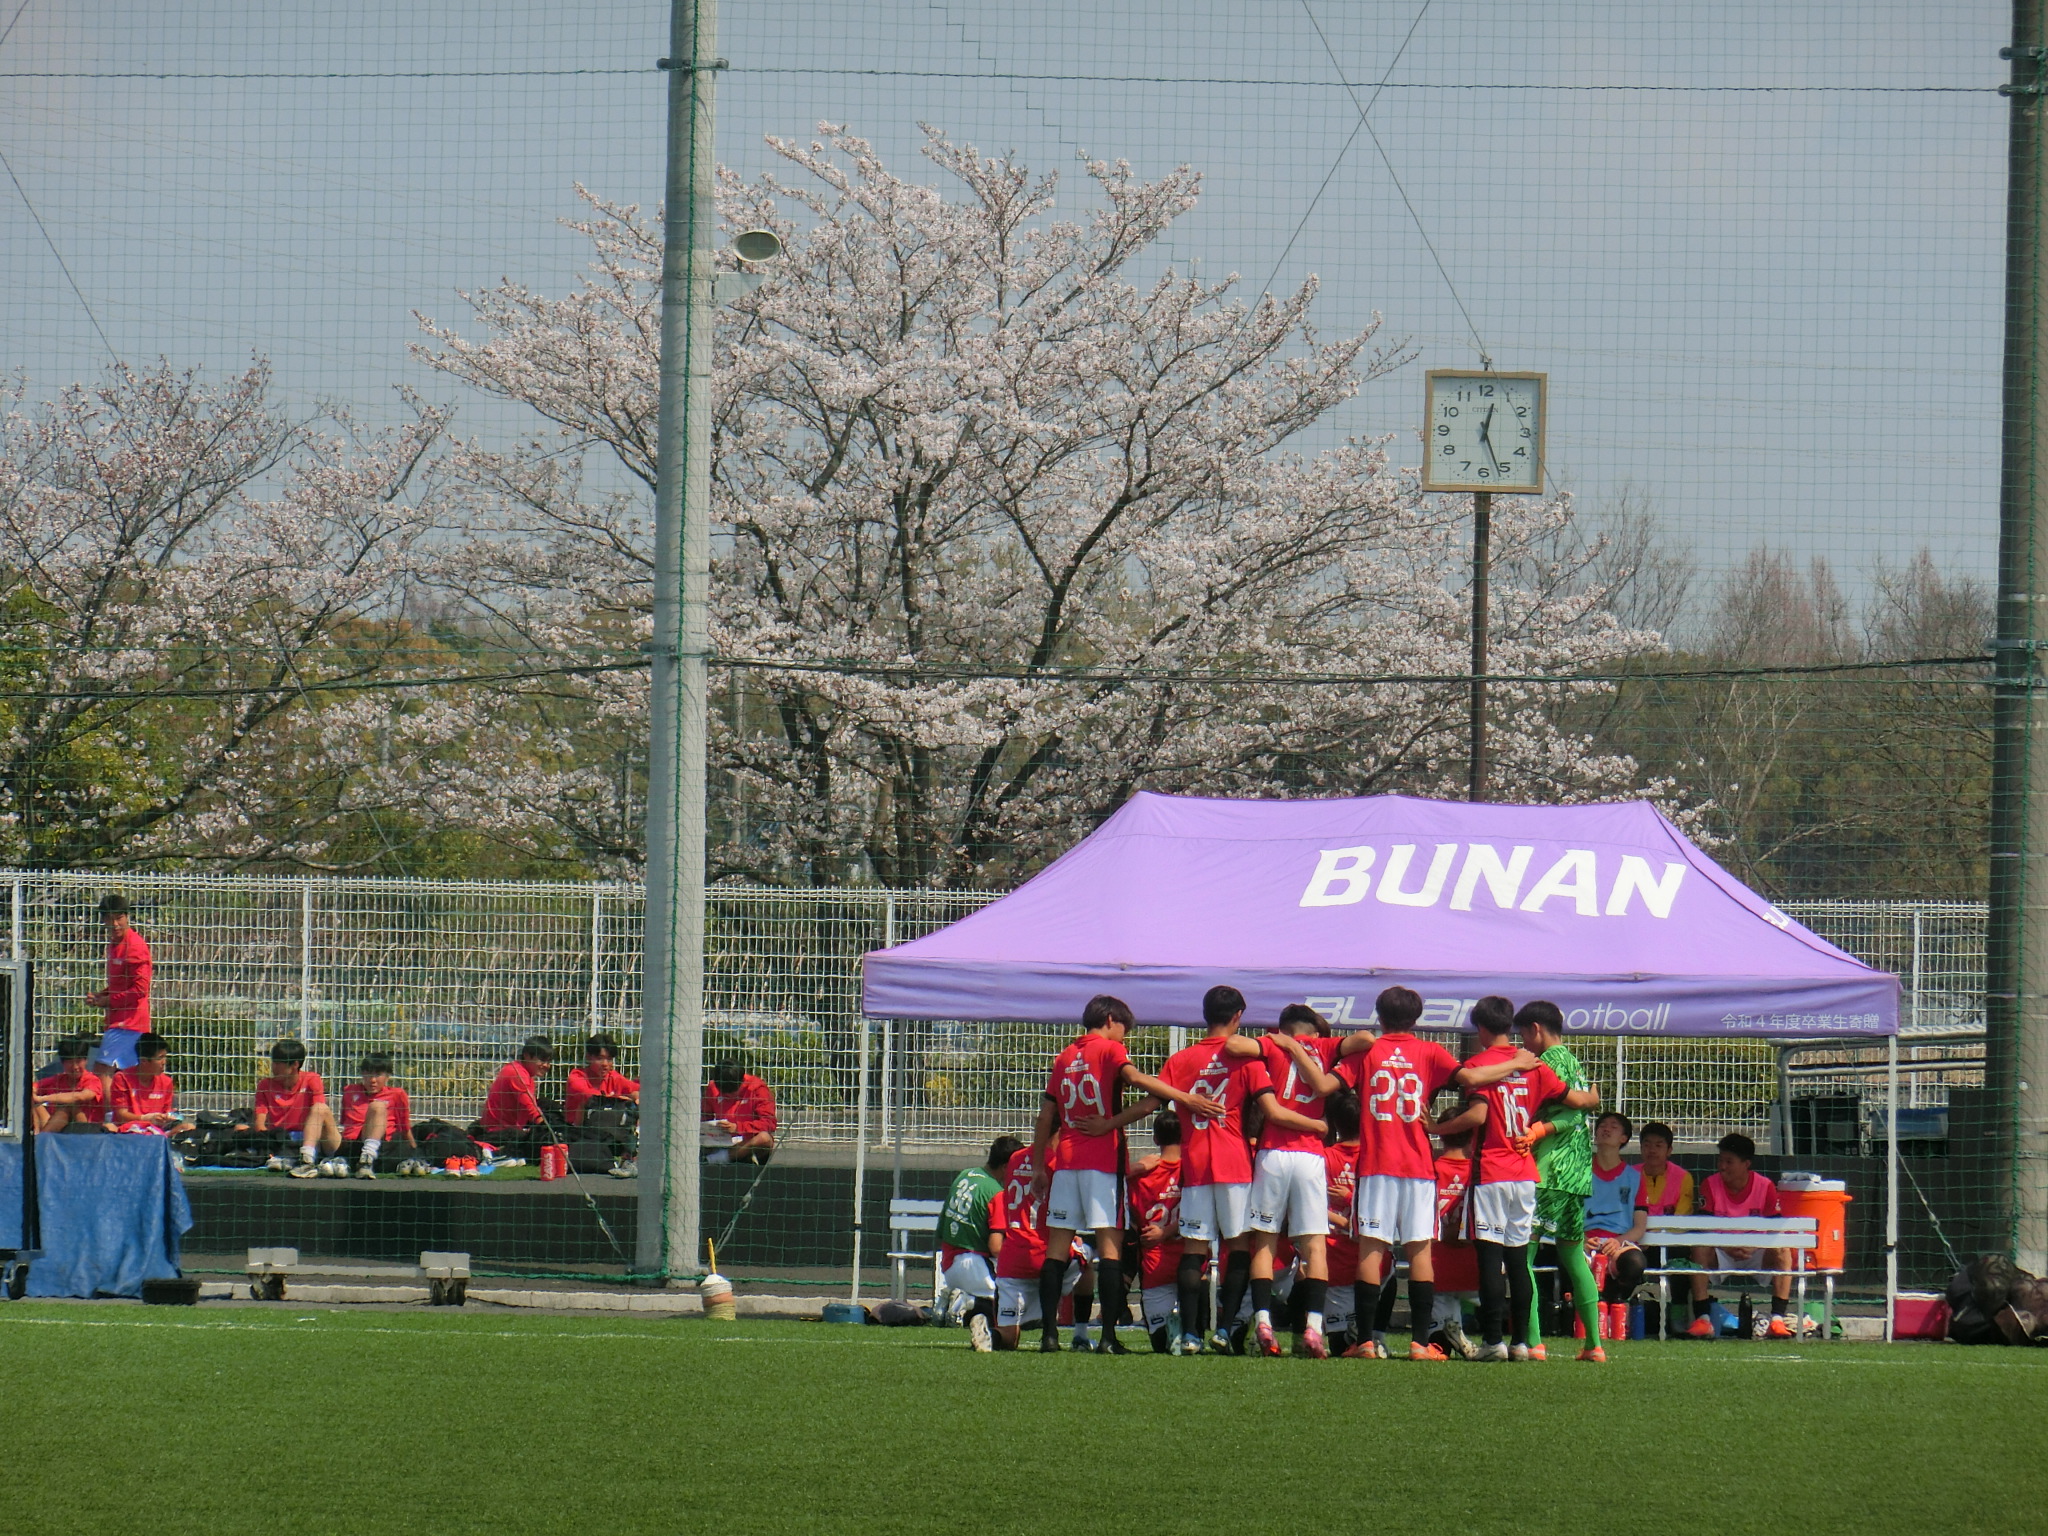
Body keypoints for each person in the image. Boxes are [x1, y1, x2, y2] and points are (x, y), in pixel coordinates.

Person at [1284, 984, 1539, 1361]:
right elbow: (1470, 1079)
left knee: (1372, 1248)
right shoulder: (1431, 1051)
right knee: (1420, 1250)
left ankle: (1366, 1341)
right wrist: (1516, 1064)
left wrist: (1293, 1049)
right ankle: (1420, 1344)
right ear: (1417, 1018)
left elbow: (1323, 1085)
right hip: (1419, 1167)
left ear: (1380, 1015)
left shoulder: (1368, 1051)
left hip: (1376, 1166)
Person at [1026, 991, 1227, 1354]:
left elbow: (1046, 1117)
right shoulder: (1109, 1050)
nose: (1125, 1037)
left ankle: (1049, 1336)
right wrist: (1184, 1097)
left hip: (1067, 1162)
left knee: (1056, 1249)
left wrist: (1039, 1165)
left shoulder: (1065, 1056)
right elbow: (1134, 1078)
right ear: (1109, 1021)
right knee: (1110, 1246)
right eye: (1124, 1028)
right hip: (1102, 1161)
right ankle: (1107, 1337)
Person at [1429, 996, 1598, 1362]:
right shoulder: (1534, 1065)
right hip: (1524, 1174)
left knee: (1490, 1260)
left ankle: (1494, 1342)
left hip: (1491, 1170)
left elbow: (1478, 1116)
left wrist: (1436, 1127)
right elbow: (1576, 1101)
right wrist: (1592, 1096)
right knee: (1519, 1260)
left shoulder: (1479, 1064)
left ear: (1481, 1028)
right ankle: (1521, 1343)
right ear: (1509, 1026)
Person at [1157, 985, 1269, 1355]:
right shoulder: (1247, 1058)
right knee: (1237, 1245)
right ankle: (1224, 1329)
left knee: (1194, 1247)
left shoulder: (1181, 1059)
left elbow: (1154, 1099)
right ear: (1238, 1016)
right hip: (1234, 1162)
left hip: (1196, 1163)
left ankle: (1191, 1335)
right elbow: (1267, 1107)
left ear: (1205, 1015)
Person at [1246, 1003, 1344, 1358]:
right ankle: (1314, 1329)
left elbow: (1236, 1045)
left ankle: (1263, 1322)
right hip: (1310, 1155)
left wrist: (1281, 1042)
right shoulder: (1325, 1048)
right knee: (1315, 1245)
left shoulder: (1272, 1046)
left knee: (1265, 1242)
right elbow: (1365, 1039)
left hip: (1273, 1153)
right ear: (1312, 1032)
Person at [1511, 1001, 1605, 1361]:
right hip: (1577, 1174)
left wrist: (1537, 1130)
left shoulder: (1548, 1061)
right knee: (1572, 1255)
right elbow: (1582, 1109)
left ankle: (1534, 1342)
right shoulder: (1573, 1061)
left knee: (1525, 1256)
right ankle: (1594, 1344)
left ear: (1535, 1028)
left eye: (1523, 1034)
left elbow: (1570, 1114)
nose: (1523, 1043)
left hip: (1548, 1171)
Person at [1688, 1132, 1797, 1339]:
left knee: (1783, 1249)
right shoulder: (1710, 1184)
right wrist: (1727, 1246)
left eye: (1729, 1161)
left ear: (1746, 1164)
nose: (1722, 1166)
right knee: (1699, 1248)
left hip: (1756, 1251)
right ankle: (1703, 1319)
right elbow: (1704, 1227)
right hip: (1722, 1251)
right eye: (1720, 1160)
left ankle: (1777, 1320)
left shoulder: (1765, 1186)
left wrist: (1754, 1245)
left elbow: (1775, 1228)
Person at [991, 1140, 1090, 1350]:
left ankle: (989, 1335)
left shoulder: (1015, 1159)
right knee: (1087, 1259)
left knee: (1008, 1338)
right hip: (1045, 1254)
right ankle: (1080, 1334)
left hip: (1012, 1260)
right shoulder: (1058, 1161)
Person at [937, 1134, 1022, 1352]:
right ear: (1006, 1166)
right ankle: (967, 1302)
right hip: (973, 1264)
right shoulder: (996, 1193)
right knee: (1011, 1312)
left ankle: (960, 1304)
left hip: (949, 1261)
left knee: (996, 1316)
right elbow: (996, 1247)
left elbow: (943, 1225)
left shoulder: (965, 1174)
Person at [1583, 1111, 1649, 1348]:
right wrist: (1580, 1238)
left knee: (1634, 1262)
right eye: (1602, 1125)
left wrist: (1618, 1241)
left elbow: (1639, 1226)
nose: (1606, 1129)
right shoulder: (1580, 1171)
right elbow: (1567, 1213)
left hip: (1618, 1243)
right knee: (1565, 1259)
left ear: (1624, 1138)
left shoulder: (1634, 1177)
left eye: (1613, 1126)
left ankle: (1615, 1306)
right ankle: (1581, 1317)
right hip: (1584, 1242)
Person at [1128, 1109, 1188, 1354]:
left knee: (1159, 1345)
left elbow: (1111, 1185)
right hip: (1191, 1260)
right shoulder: (1193, 1170)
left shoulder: (1142, 1176)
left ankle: (1172, 1328)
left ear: (1155, 1139)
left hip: (1155, 1262)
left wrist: (1134, 1168)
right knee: (1194, 1330)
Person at [86, 893, 152, 1107]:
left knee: (102, 1071)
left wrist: (108, 1001)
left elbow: (140, 990)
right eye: (109, 918)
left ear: (127, 917)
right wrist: (102, 996)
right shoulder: (115, 943)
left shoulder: (134, 946)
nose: (114, 924)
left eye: (119, 918)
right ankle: (133, 1117)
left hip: (128, 1022)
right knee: (129, 1076)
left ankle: (108, 1116)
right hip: (123, 1020)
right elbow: (122, 985)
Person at [249, 1039, 343, 1178]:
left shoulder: (312, 1079)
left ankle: (307, 1160)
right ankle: (308, 1161)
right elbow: (260, 1124)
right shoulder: (265, 1085)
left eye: (278, 1063)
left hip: (315, 1140)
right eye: (273, 1062)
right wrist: (269, 1145)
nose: (273, 1067)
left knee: (320, 1108)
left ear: (295, 1064)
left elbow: (319, 1113)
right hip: (283, 1140)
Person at [1428, 1118, 1481, 1358]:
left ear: (1442, 1135)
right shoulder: (1479, 1172)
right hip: (1474, 1266)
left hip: (1436, 1266)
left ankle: (1443, 1339)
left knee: (1437, 1338)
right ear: (1472, 1137)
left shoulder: (1431, 1170)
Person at [1319, 1087, 1362, 1353]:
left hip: (1332, 1258)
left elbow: (1312, 1206)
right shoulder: (1373, 1158)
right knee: (1390, 1271)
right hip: (1365, 1258)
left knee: (1338, 1347)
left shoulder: (1324, 1158)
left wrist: (1345, 1204)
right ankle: (1375, 1332)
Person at [339, 1052, 415, 1179]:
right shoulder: (350, 1091)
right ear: (362, 1074)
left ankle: (366, 1160)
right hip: (351, 1145)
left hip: (381, 1146)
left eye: (378, 1075)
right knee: (321, 1109)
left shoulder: (397, 1094)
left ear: (388, 1076)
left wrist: (414, 1150)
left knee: (377, 1106)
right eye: (368, 1074)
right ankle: (309, 1160)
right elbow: (344, 1123)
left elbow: (404, 1128)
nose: (372, 1080)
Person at [479, 1036, 556, 1156]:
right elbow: (531, 1109)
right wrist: (551, 1131)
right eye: (542, 1060)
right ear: (527, 1056)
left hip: (502, 1129)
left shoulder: (520, 1071)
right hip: (498, 1133)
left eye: (549, 1061)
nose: (547, 1065)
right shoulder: (518, 1075)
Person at [109, 1032, 190, 1136]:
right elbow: (121, 1115)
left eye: (165, 1057)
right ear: (144, 1061)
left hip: (157, 1132)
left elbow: (166, 1112)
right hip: (130, 1132)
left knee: (188, 1127)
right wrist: (145, 1119)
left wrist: (168, 1117)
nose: (164, 1062)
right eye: (160, 1058)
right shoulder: (122, 1078)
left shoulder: (166, 1082)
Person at [701, 1059, 776, 1164]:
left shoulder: (757, 1088)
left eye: (732, 1092)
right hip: (720, 1140)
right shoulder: (712, 1088)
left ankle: (721, 1158)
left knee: (764, 1138)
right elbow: (704, 1116)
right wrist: (710, 1128)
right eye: (723, 1093)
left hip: (746, 1142)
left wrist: (738, 1128)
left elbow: (769, 1123)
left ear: (741, 1081)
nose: (728, 1095)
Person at [31, 1035, 105, 1132]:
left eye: (78, 1061)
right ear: (62, 1063)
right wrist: (34, 1095)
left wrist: (42, 1098)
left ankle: (42, 1137)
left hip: (86, 1129)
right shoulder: (57, 1079)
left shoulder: (92, 1080)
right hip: (55, 1126)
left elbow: (80, 1097)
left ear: (86, 1060)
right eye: (70, 1062)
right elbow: (31, 1088)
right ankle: (36, 1133)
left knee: (69, 1106)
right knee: (30, 1097)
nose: (75, 1067)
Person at [566, 1033, 639, 1125]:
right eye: (599, 1058)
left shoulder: (613, 1077)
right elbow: (591, 1098)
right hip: (577, 1130)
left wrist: (635, 1096)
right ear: (588, 1057)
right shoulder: (577, 1077)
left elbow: (637, 1090)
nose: (605, 1064)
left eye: (609, 1059)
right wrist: (620, 1100)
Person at [1635, 1121, 1694, 1216]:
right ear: (1641, 1148)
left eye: (1658, 1146)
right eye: (1647, 1145)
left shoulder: (1683, 1178)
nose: (1652, 1150)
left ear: (1669, 1150)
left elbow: (1681, 1218)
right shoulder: (1628, 1175)